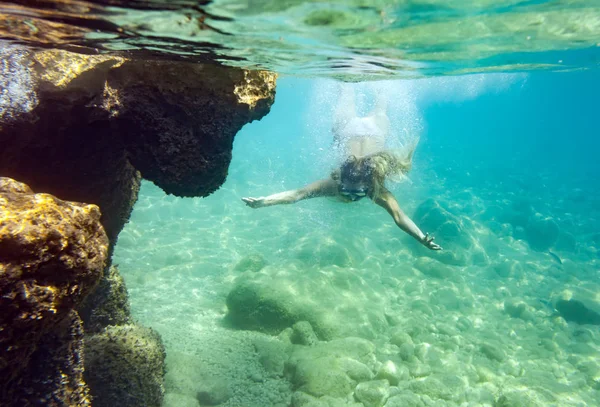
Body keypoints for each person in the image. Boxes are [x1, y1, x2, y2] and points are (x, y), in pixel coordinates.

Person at [242, 85, 442, 251]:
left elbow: (298, 195)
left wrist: (421, 238)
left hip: (369, 130)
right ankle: (376, 77)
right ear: (340, 179)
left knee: (353, 93)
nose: (352, 197)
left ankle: (364, 73)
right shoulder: (371, 189)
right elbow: (399, 217)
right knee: (363, 97)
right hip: (358, 129)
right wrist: (264, 202)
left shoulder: (364, 187)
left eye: (357, 193)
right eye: (350, 192)